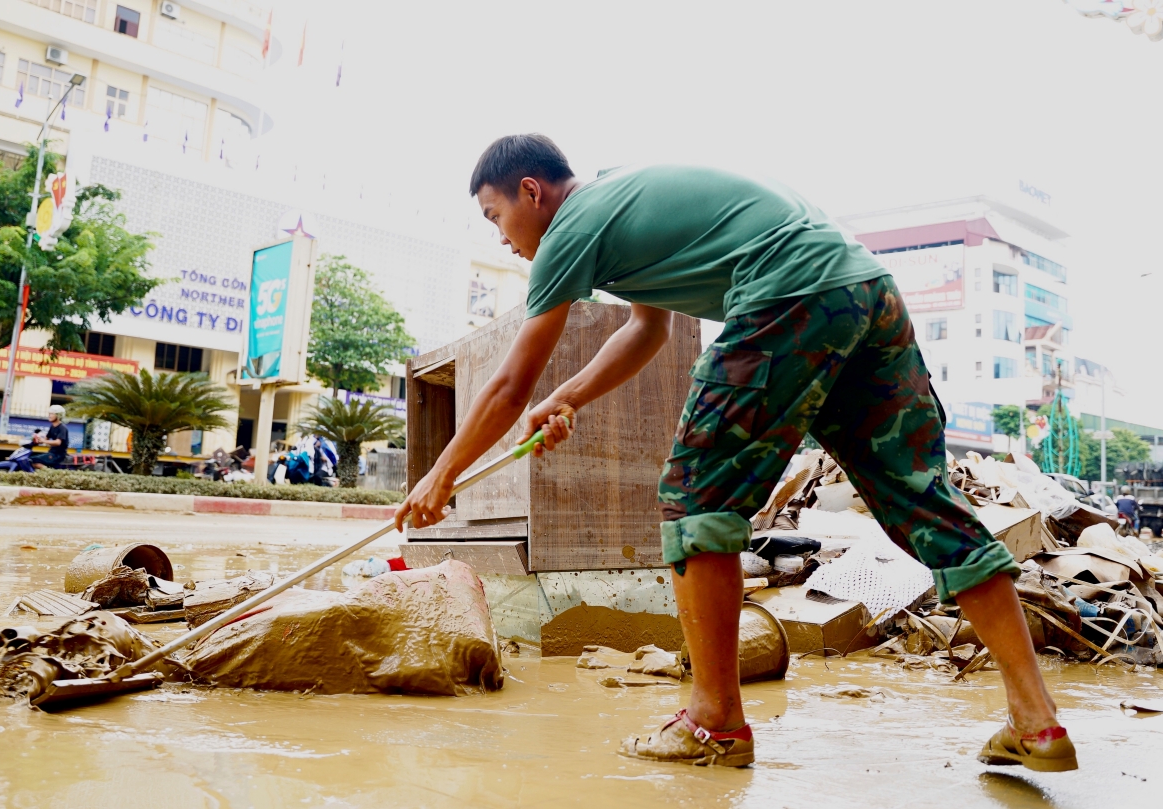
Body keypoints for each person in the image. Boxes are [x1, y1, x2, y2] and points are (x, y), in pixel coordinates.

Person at [395, 134, 1077, 772]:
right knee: (923, 501)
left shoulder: (571, 225)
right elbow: (646, 329)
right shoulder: (619, 203)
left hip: (790, 293)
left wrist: (441, 475)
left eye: (495, 217)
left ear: (531, 192)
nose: (504, 239)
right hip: (863, 290)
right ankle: (1036, 720)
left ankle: (714, 720)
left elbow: (510, 383)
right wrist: (570, 394)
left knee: (696, 499)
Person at [32, 404, 70, 470]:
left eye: (52, 414)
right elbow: (46, 438)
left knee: (33, 460)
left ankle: (49, 472)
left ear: (58, 415)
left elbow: (58, 442)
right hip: (51, 452)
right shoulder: (52, 427)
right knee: (31, 459)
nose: (49, 415)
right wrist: (37, 439)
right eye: (49, 413)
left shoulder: (62, 428)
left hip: (58, 455)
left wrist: (44, 441)